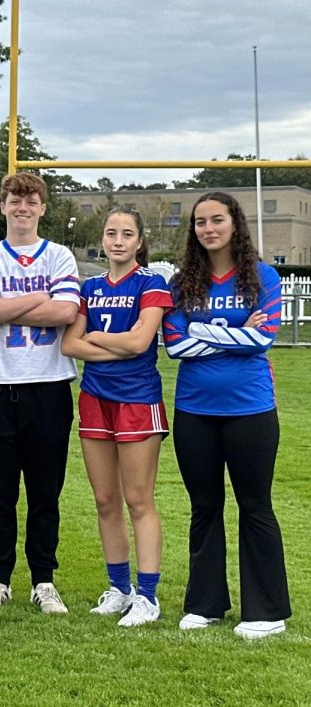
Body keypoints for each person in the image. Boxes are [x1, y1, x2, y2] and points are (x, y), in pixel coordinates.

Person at [163, 191, 290, 640]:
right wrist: (236, 331)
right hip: (194, 410)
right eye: (200, 222)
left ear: (234, 223)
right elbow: (175, 345)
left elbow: (263, 340)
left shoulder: (264, 276)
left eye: (217, 219)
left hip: (251, 408)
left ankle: (266, 610)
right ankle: (205, 604)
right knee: (204, 507)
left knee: (255, 506)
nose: (208, 228)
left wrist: (204, 330)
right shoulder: (181, 284)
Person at [0, 172, 80, 615]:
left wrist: (10, 305)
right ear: (3, 206)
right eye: (15, 199)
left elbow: (66, 311)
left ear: (43, 208)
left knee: (45, 491)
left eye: (31, 200)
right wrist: (39, 299)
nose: (23, 207)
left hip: (48, 386)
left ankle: (43, 580)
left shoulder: (61, 255)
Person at [61, 206, 172, 627]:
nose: (119, 240)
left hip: (137, 400)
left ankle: (147, 596)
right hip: (95, 397)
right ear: (103, 239)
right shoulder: (89, 286)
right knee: (105, 500)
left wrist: (97, 337)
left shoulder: (152, 283)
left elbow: (142, 343)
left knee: (138, 499)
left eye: (127, 233)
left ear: (140, 241)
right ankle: (119, 588)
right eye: (111, 233)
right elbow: (69, 346)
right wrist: (114, 343)